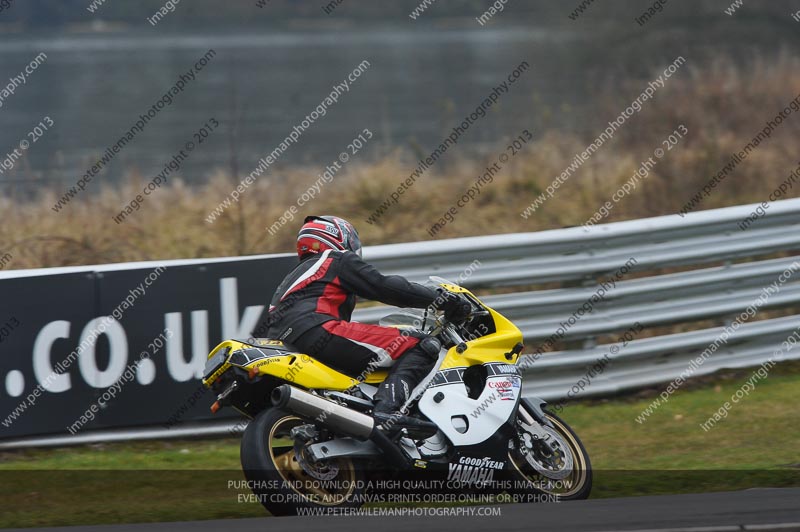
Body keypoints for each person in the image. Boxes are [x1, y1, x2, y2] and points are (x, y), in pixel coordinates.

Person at [266, 215, 470, 430]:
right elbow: (387, 287)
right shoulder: (335, 259)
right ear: (339, 237)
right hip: (318, 330)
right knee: (420, 344)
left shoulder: (292, 278)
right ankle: (386, 412)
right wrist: (441, 298)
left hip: (285, 343)